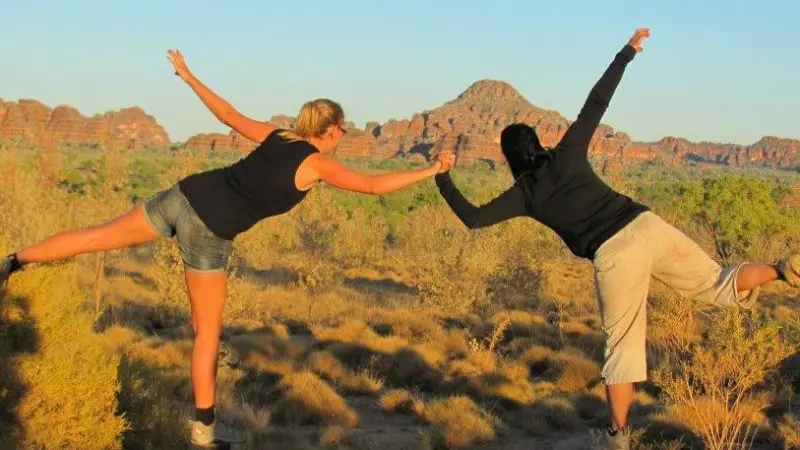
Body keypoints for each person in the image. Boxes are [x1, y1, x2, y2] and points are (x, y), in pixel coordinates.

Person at [0, 49, 454, 447]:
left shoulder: (278, 136)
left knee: (96, 236)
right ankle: (203, 435)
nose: (344, 133)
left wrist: (189, 75)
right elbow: (374, 187)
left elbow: (227, 116)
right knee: (208, 333)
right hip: (208, 232)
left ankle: (12, 261)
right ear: (332, 128)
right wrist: (430, 171)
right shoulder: (318, 164)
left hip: (182, 195)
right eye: (343, 127)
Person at [432, 28, 800, 450]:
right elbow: (596, 101)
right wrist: (627, 52)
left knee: (623, 345)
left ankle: (617, 437)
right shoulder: (568, 152)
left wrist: (444, 178)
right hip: (646, 224)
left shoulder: (525, 195)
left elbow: (474, 219)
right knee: (716, 280)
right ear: (538, 143)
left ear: (509, 158)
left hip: (615, 253)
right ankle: (781, 269)